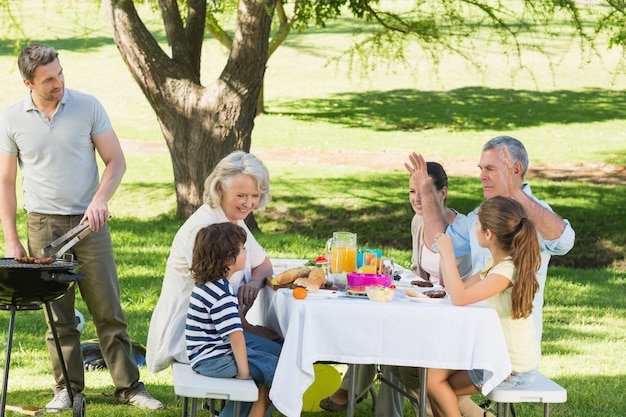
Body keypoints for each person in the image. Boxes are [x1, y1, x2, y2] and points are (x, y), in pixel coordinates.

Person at [0, 44, 162, 410]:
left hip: (90, 224)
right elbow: (5, 183)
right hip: (42, 225)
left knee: (108, 310)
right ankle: (69, 390)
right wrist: (12, 238)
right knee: (58, 318)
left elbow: (115, 161)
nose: (59, 83)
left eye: (60, 73)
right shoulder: (11, 118)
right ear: (28, 82)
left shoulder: (87, 106)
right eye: (49, 80)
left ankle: (129, 388)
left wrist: (100, 198)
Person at [321, 162, 488, 417]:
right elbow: (417, 272)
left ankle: (356, 391)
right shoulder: (418, 221)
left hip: (451, 316)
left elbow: (456, 289)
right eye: (412, 192)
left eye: (424, 191)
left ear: (442, 194)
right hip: (424, 307)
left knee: (393, 343)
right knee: (380, 326)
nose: (416, 199)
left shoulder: (461, 231)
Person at [146, 150, 280, 416]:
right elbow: (215, 306)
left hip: (218, 331)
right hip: (198, 338)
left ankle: (252, 406)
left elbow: (263, 264)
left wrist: (253, 282)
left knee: (281, 352)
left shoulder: (232, 219)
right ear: (220, 189)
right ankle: (252, 407)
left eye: (255, 195)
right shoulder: (208, 230)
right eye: (241, 195)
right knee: (281, 362)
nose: (249, 203)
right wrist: (250, 328)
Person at [406, 136, 575, 344]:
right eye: (481, 169)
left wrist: (516, 192)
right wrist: (427, 193)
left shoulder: (534, 212)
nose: (481, 176)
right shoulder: (481, 213)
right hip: (476, 332)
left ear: (516, 170)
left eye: (490, 169)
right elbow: (439, 240)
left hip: (511, 343)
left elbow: (564, 241)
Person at [427, 196, 542, 417]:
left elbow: (460, 297)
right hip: (494, 354)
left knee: (438, 384)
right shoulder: (496, 264)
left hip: (512, 367)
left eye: (477, 224)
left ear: (488, 234)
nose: (475, 229)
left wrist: (448, 254)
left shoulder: (506, 271)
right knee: (433, 377)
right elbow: (457, 289)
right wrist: (445, 257)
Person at [187, 222, 278, 417]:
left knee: (269, 365)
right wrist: (244, 373)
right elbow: (236, 336)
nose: (246, 252)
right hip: (216, 359)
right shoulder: (222, 293)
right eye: (242, 248)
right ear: (228, 258)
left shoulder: (209, 285)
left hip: (205, 355)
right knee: (278, 370)